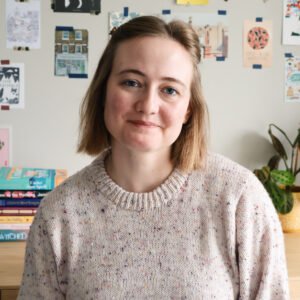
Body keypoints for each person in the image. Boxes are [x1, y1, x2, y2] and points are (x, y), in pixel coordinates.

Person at [18, 16, 289, 299]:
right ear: (103, 92)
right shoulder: (59, 214)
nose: (148, 105)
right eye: (132, 82)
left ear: (187, 110)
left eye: (169, 90)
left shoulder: (240, 199)